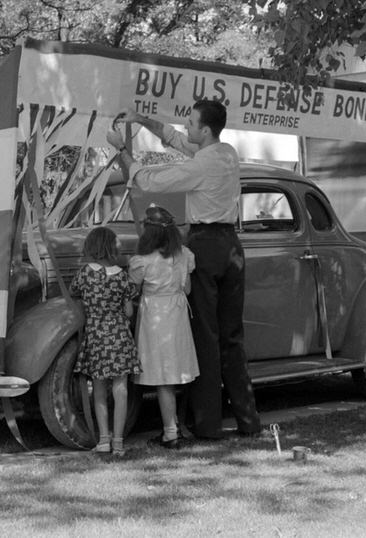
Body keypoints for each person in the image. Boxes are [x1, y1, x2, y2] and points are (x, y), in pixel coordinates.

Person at [107, 100, 261, 439]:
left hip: (205, 245)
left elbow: (148, 181)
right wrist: (141, 119)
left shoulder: (200, 167)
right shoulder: (227, 153)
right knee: (233, 337)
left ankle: (207, 425)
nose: (187, 128)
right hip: (232, 245)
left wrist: (122, 151)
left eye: (192, 123)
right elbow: (178, 140)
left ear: (205, 130)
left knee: (206, 335)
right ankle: (249, 421)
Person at [128, 205, 200, 449]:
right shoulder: (184, 256)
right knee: (175, 371)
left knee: (163, 377)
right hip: (177, 314)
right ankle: (176, 425)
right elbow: (187, 289)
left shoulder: (142, 261)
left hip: (155, 317)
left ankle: (171, 432)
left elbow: (131, 289)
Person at [69, 226, 141, 456]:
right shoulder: (121, 276)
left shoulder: (84, 274)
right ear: (111, 247)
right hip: (119, 335)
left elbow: (73, 292)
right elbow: (129, 312)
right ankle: (118, 442)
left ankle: (103, 440)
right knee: (120, 388)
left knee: (98, 389)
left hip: (97, 336)